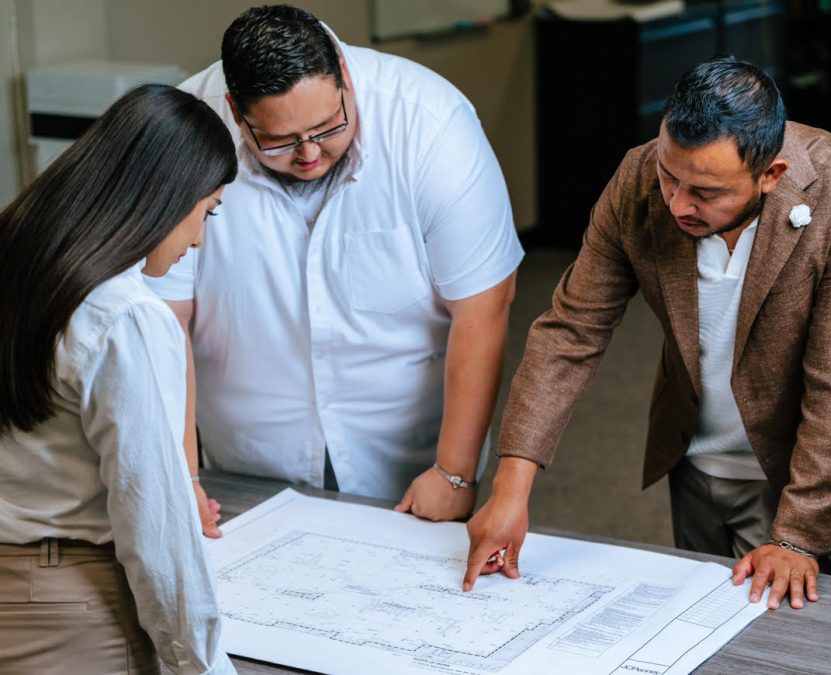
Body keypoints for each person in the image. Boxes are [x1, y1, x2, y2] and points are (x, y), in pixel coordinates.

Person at [462, 56, 831, 610]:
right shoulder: (638, 175)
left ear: (772, 175)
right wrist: (510, 487)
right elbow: (570, 331)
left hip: (808, 477)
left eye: (705, 191)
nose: (676, 203)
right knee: (697, 634)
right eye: (670, 176)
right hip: (692, 459)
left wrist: (797, 536)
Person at [146, 5, 523, 535]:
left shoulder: (430, 123)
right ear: (234, 110)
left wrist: (455, 473)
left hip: (406, 457)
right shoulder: (185, 131)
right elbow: (163, 321)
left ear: (344, 78)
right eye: (278, 140)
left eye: (327, 127)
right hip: (244, 459)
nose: (309, 154)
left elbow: (484, 307)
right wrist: (181, 477)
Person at [0, 84, 237, 673]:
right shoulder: (122, 315)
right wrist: (200, 666)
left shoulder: (14, 260)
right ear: (163, 195)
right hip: (70, 603)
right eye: (204, 211)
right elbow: (155, 531)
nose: (199, 238)